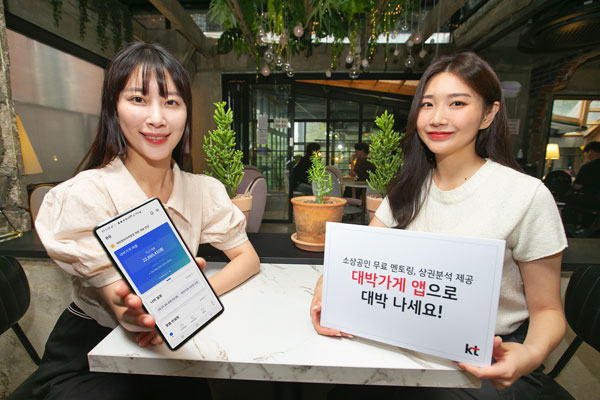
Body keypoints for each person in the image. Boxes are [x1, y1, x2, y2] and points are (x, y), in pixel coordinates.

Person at [310, 52, 567, 399]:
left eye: (457, 103)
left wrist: (529, 354)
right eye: (427, 105)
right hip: (403, 342)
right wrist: (325, 291)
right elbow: (355, 263)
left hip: (483, 356)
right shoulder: (408, 187)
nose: (437, 118)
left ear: (489, 113)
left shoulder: (526, 196)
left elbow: (548, 311)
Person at [31, 42, 260, 399]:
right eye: (138, 99)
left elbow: (248, 258)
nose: (157, 118)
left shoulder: (202, 190)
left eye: (171, 102)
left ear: (186, 112)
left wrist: (194, 294)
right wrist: (139, 315)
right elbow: (119, 303)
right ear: (114, 108)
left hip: (176, 343)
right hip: (91, 351)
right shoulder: (87, 195)